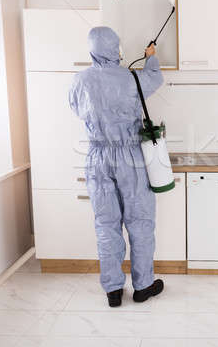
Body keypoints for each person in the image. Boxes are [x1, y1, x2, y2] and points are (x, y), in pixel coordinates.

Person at [69, 26, 164, 307]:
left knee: (106, 224)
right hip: (130, 157)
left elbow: (76, 109)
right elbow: (155, 78)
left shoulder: (79, 80)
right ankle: (143, 286)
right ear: (115, 49)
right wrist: (151, 57)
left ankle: (112, 290)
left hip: (97, 158)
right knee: (140, 222)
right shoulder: (132, 79)